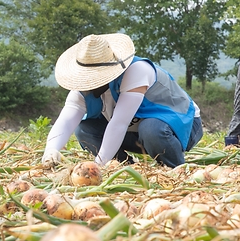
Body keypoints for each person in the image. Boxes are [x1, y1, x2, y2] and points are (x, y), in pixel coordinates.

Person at [42, 33, 203, 169]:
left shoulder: (136, 71)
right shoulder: (82, 90)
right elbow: (66, 121)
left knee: (151, 128)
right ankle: (122, 167)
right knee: (84, 129)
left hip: (182, 126)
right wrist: (50, 151)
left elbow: (119, 123)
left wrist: (98, 166)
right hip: (135, 132)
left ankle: (173, 168)